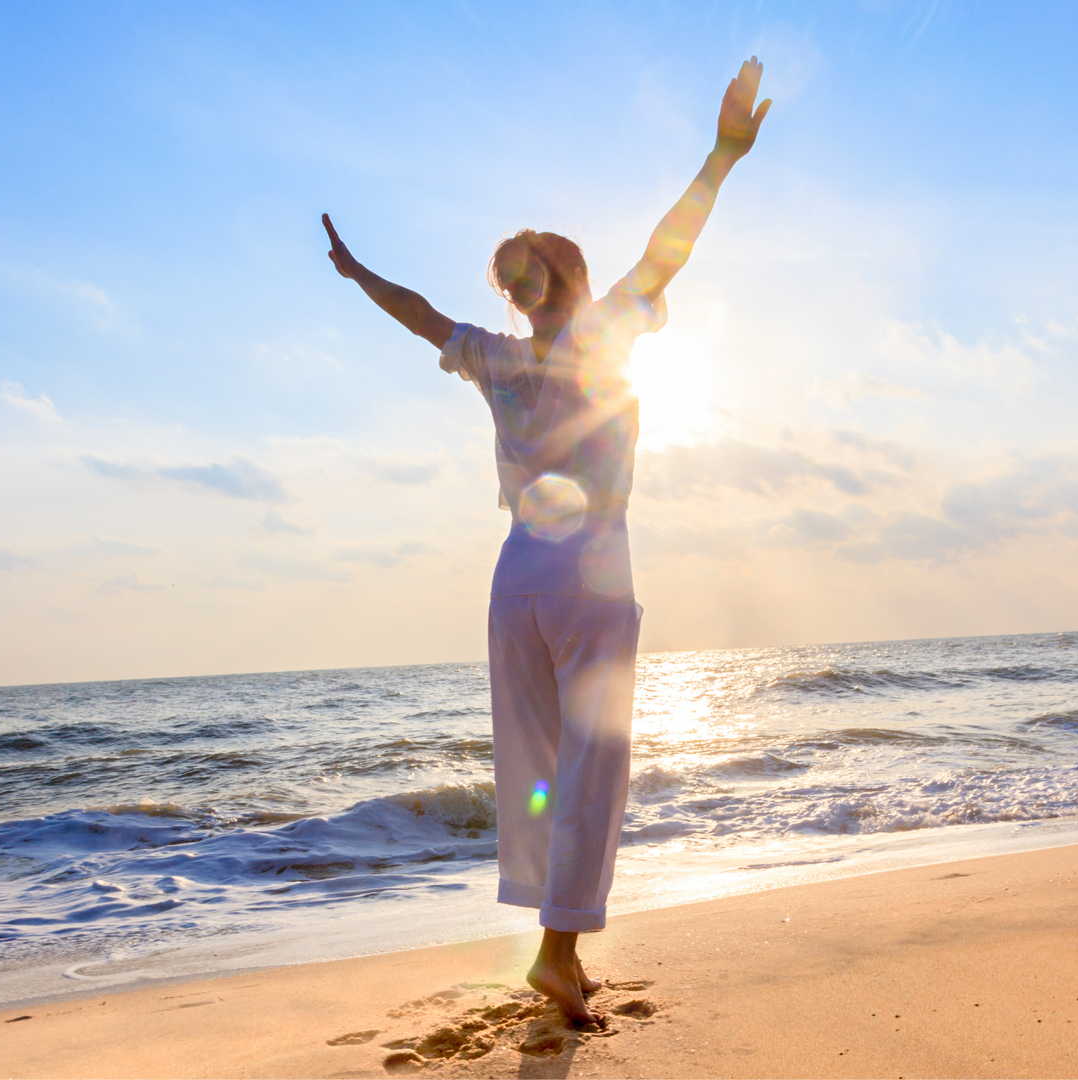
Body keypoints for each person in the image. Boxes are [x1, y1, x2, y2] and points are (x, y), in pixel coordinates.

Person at [321, 58, 770, 1025]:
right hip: (591, 567)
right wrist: (724, 155)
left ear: (519, 291)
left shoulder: (495, 354)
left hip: (514, 574)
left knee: (532, 767)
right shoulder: (601, 332)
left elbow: (418, 317)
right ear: (571, 278)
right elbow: (668, 249)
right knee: (593, 764)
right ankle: (559, 955)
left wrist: (357, 273)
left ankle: (551, 942)